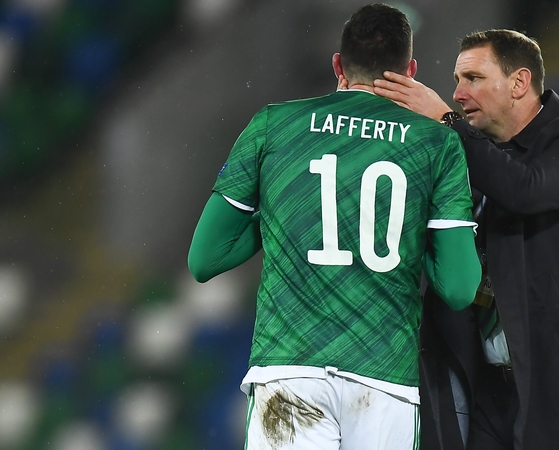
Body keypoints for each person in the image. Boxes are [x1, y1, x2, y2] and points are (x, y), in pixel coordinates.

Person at [187, 4, 482, 449]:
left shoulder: (274, 125)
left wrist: (283, 218)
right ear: (410, 70)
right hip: (384, 382)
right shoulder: (436, 144)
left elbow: (204, 258)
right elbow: (461, 287)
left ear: (338, 65)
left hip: (291, 371)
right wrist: (412, 230)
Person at [373, 29, 559, 450]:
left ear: (519, 83)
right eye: (457, 81)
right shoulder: (475, 160)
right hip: (489, 392)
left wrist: (448, 125)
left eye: (473, 79)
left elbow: (526, 190)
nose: (459, 94)